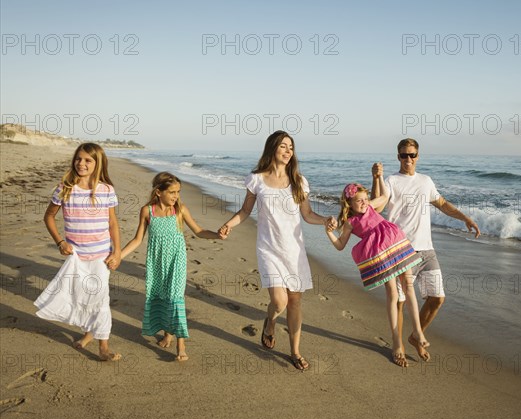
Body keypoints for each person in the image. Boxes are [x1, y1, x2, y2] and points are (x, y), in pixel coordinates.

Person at [218, 130, 336, 371]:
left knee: (295, 301)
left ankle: (295, 351)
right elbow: (245, 211)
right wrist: (228, 224)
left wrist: (325, 220)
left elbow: (307, 214)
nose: (288, 150)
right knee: (279, 301)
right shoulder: (257, 179)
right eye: (283, 146)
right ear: (272, 148)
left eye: (291, 147)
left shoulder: (299, 181)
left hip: (294, 250)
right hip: (268, 248)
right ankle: (270, 320)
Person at [372, 138, 480, 361]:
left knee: (437, 298)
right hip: (400, 251)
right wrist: (376, 178)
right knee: (399, 302)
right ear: (398, 156)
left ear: (418, 156)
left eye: (412, 155)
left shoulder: (425, 181)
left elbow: (442, 203)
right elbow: (379, 206)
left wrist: (465, 218)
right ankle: (398, 344)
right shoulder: (391, 180)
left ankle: (415, 335)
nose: (408, 159)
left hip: (427, 250)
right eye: (404, 155)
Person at [121, 172, 223, 361]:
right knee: (161, 296)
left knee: (175, 298)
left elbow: (199, 232)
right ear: (158, 192)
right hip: (156, 262)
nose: (176, 196)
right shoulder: (147, 211)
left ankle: (180, 344)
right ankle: (168, 332)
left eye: (178, 192)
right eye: (172, 192)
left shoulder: (180, 210)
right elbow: (137, 240)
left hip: (176, 262)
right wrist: (119, 255)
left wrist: (217, 235)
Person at [325, 181, 428, 367]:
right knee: (393, 294)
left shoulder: (371, 205)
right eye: (359, 201)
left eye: (365, 199)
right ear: (349, 203)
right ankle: (396, 341)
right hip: (380, 252)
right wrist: (329, 232)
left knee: (409, 286)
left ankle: (418, 331)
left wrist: (378, 177)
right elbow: (340, 245)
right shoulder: (350, 223)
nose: (364, 203)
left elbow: (385, 197)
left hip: (395, 242)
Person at [35, 143, 122, 361]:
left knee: (100, 298)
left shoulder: (106, 190)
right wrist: (60, 242)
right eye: (79, 159)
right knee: (81, 295)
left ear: (98, 163)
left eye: (88, 160)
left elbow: (112, 223)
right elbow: (48, 217)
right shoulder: (65, 188)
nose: (81, 163)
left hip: (101, 255)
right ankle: (88, 334)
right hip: (75, 256)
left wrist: (117, 251)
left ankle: (103, 347)